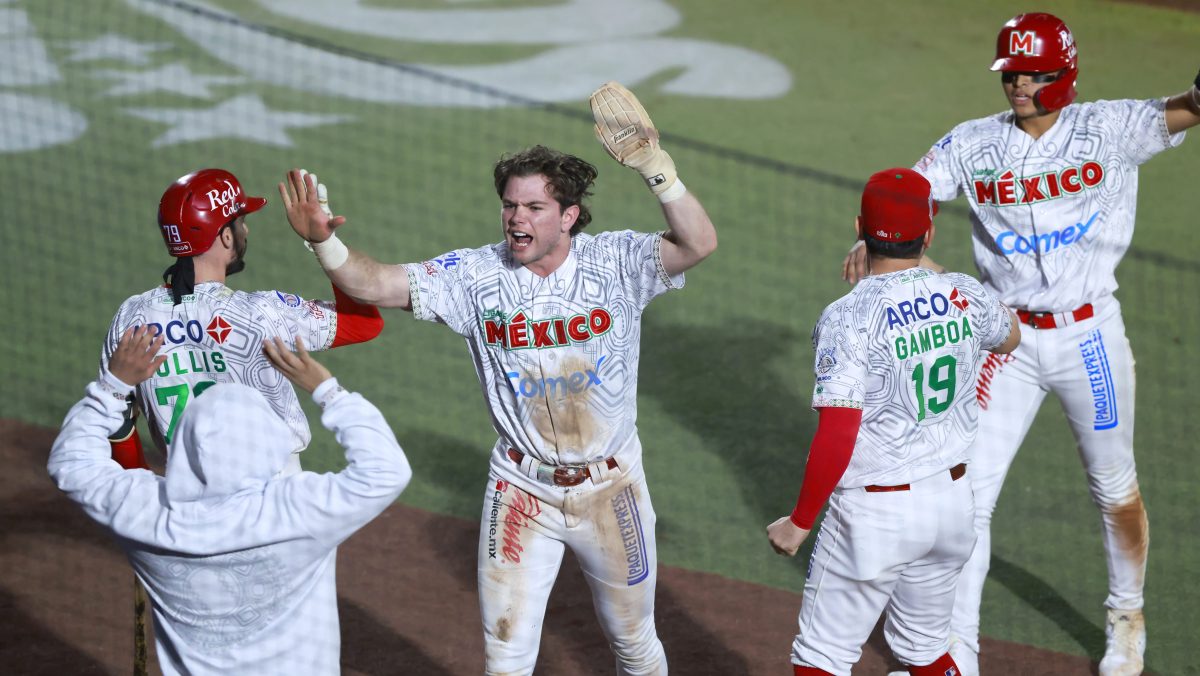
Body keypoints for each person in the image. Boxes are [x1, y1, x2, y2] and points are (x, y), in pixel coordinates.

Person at [278, 80, 717, 675]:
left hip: (612, 488)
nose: (516, 219)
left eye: (534, 208)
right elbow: (374, 284)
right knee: (506, 658)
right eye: (510, 206)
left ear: (569, 216)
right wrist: (324, 243)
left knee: (634, 644)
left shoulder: (617, 262)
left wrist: (656, 169)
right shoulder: (474, 276)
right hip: (520, 490)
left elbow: (699, 242)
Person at [842, 13, 1200, 676]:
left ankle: (1127, 619)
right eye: (1011, 73)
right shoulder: (973, 142)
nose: (1018, 85)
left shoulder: (1110, 127)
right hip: (1005, 342)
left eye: (1032, 75)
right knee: (968, 500)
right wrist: (880, 238)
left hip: (1090, 338)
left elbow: (1188, 107)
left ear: (1064, 75)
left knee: (1113, 486)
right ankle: (958, 652)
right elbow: (908, 194)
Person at [768, 168, 1020, 676]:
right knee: (924, 650)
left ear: (859, 227)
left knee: (820, 658)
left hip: (876, 514)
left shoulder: (848, 315)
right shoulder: (962, 292)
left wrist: (800, 521)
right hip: (953, 504)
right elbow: (1010, 335)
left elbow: (839, 428)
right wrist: (935, 281)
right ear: (929, 234)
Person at [49, 325, 413, 675]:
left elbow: (71, 464)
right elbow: (386, 472)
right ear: (271, 442)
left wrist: (113, 388)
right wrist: (327, 390)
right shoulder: (296, 511)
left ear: (185, 444)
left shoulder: (147, 514)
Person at [102, 168, 384, 476]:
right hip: (273, 492)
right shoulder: (261, 313)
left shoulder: (132, 318)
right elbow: (364, 324)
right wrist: (324, 243)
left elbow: (117, 420)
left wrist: (139, 486)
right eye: (241, 221)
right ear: (225, 236)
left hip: (185, 493)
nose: (245, 230)